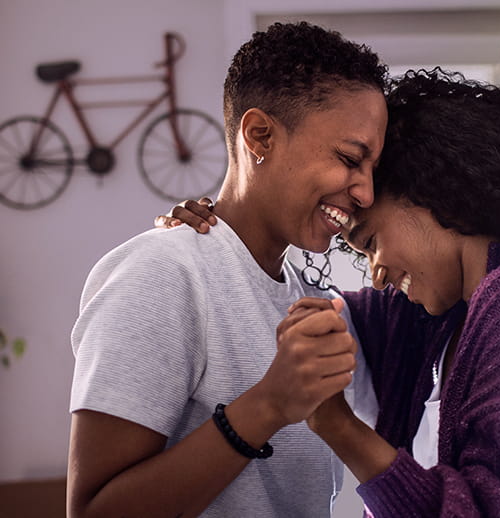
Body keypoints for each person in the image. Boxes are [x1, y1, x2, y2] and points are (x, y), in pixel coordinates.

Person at [165, 69, 500, 517]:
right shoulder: (434, 318)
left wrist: (339, 427)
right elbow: (288, 313)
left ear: (436, 192)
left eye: (370, 243)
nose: (375, 274)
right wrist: (221, 236)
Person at [68, 22, 387, 517]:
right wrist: (266, 407)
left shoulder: (304, 293)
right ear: (260, 135)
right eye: (349, 158)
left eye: (372, 171)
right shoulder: (160, 274)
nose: (365, 193)